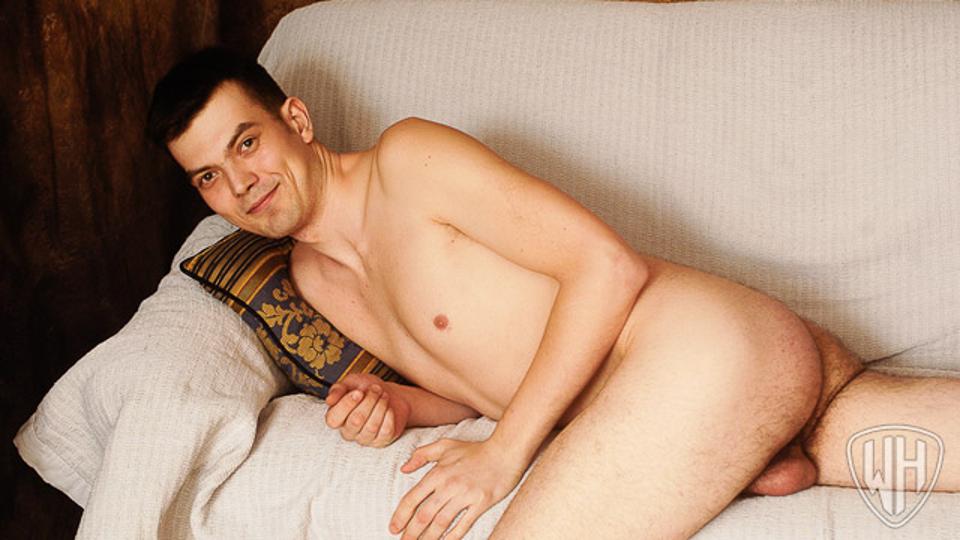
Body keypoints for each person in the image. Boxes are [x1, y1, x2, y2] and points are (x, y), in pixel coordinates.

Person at [147, 47, 959, 539]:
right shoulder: (314, 279)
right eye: (209, 177)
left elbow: (606, 267)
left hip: (698, 352)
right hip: (715, 400)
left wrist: (502, 457)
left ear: (296, 120)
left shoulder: (408, 162)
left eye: (246, 143)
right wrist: (401, 402)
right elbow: (478, 372)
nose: (240, 185)